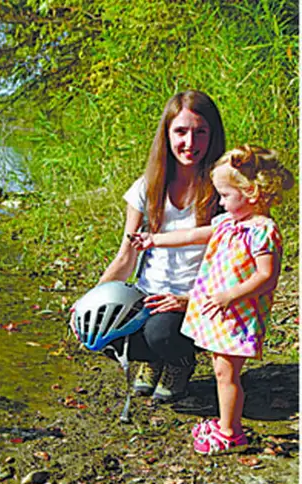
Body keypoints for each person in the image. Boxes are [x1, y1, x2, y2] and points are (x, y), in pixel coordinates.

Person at [129, 145, 293, 454]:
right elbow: (193, 235)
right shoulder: (229, 224)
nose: (220, 202)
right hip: (222, 312)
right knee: (221, 371)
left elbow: (266, 276)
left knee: (227, 375)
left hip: (238, 314)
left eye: (225, 196)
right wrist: (154, 240)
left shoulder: (263, 231)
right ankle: (225, 424)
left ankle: (231, 432)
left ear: (253, 193)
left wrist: (229, 295)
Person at [98, 90, 226, 402]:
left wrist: (188, 301)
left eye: (200, 132)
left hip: (194, 301)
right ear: (167, 135)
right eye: (181, 132)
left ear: (213, 136)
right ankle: (154, 360)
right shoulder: (147, 187)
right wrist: (92, 300)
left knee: (161, 333)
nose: (190, 143)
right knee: (98, 332)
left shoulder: (224, 189)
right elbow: (126, 256)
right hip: (147, 294)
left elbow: (230, 265)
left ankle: (180, 362)